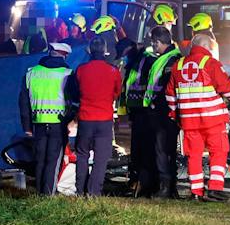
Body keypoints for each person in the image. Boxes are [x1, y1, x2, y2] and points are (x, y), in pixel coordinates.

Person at [167, 28, 230, 203]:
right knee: (219, 151)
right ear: (207, 47)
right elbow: (227, 89)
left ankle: (196, 192)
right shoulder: (211, 63)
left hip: (189, 121)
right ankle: (215, 189)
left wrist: (176, 113)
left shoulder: (179, 65)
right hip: (212, 119)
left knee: (194, 155)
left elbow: (170, 94)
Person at [125, 26, 182, 197]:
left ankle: (166, 188)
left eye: (153, 43)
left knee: (163, 150)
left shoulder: (171, 60)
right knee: (164, 150)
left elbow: (165, 87)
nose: (152, 46)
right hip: (162, 111)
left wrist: (154, 105)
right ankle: (168, 187)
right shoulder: (167, 58)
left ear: (158, 42)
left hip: (163, 112)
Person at [68, 37, 123, 197]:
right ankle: (94, 191)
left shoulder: (81, 69)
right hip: (104, 119)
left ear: (90, 50)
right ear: (105, 50)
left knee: (82, 154)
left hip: (85, 118)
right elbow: (117, 92)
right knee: (101, 157)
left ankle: (80, 190)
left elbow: (75, 92)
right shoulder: (113, 71)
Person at [20, 41, 74, 195]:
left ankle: (39, 192)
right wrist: (70, 120)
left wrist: (27, 127)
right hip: (58, 124)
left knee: (40, 159)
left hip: (38, 124)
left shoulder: (31, 73)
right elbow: (72, 101)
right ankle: (48, 194)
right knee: (53, 160)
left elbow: (23, 102)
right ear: (64, 55)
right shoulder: (67, 73)